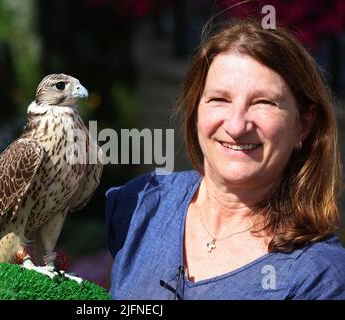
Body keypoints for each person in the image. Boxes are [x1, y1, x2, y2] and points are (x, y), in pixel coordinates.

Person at [105, 20, 345, 300]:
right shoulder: (140, 205)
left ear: (303, 125)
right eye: (220, 99)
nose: (236, 125)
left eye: (263, 102)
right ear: (195, 111)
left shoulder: (319, 276)